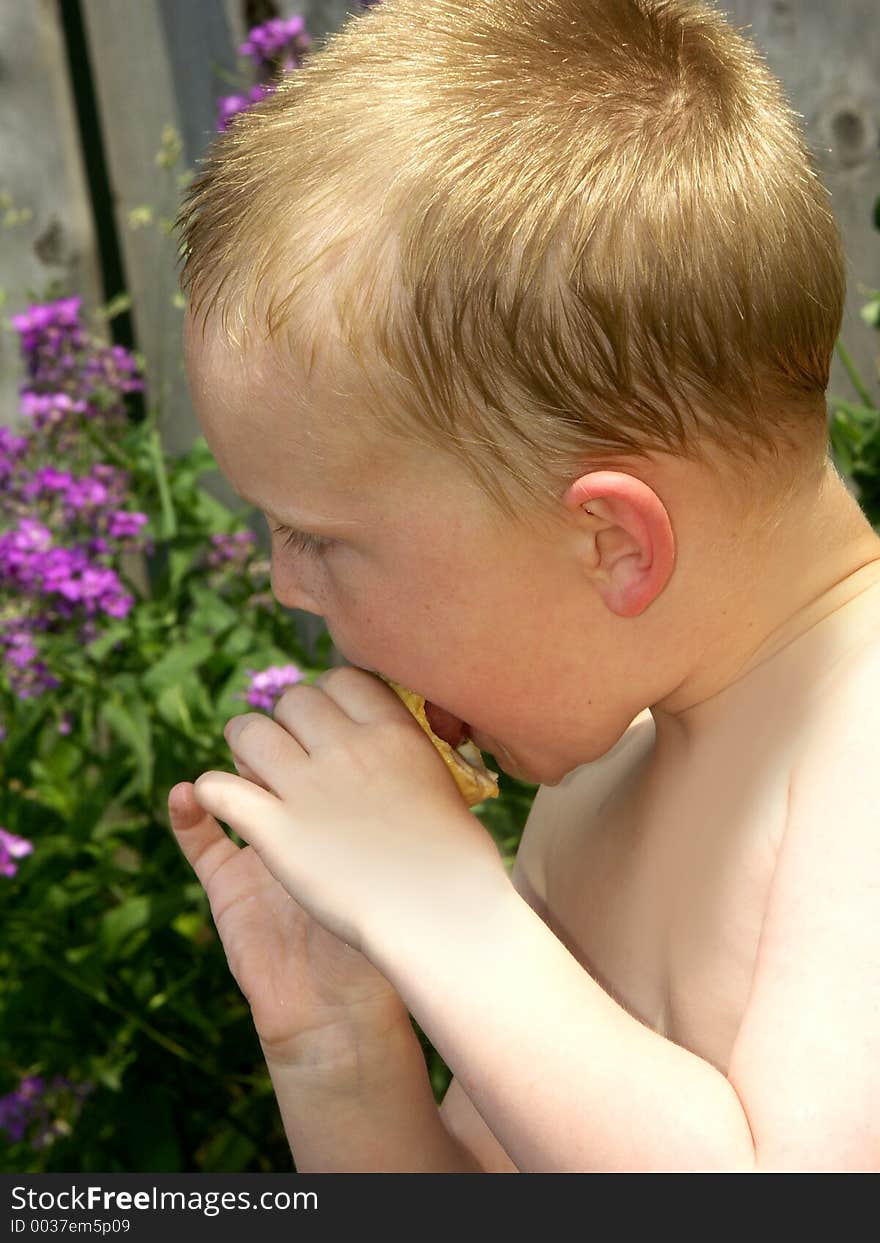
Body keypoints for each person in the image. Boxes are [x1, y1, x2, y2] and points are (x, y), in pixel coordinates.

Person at [166, 0, 880, 1171]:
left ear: (609, 543)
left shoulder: (855, 750)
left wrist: (447, 912)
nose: (286, 585)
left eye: (322, 537)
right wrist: (339, 1051)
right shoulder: (595, 792)